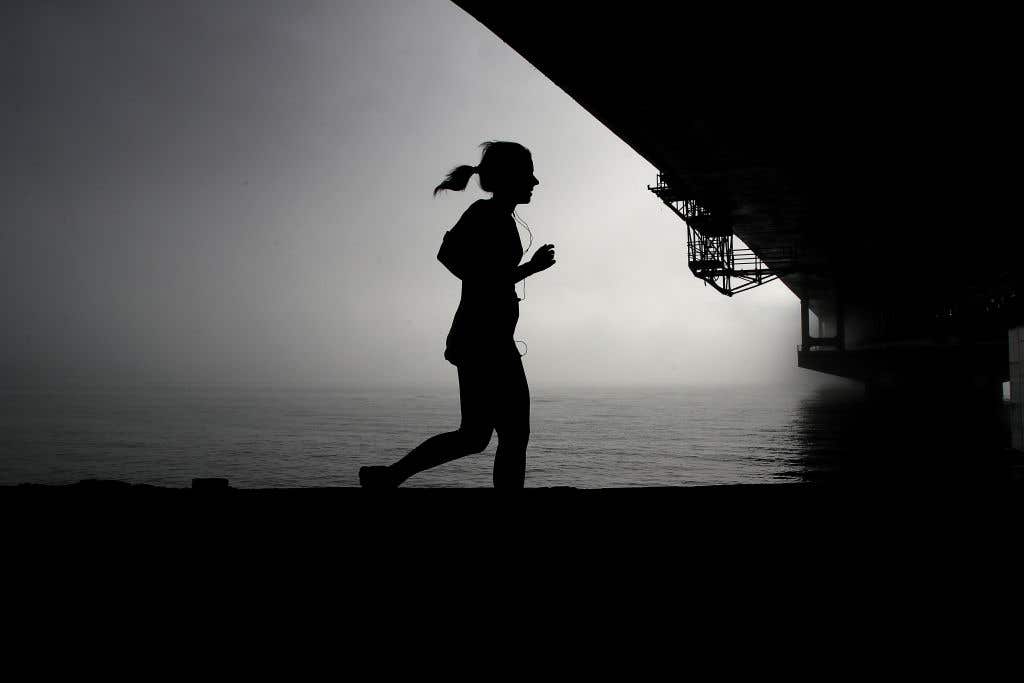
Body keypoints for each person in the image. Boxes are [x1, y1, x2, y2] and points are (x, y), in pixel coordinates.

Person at [359, 141, 556, 488]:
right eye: (528, 174)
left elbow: (480, 273)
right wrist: (527, 269)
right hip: (485, 343)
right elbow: (450, 256)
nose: (535, 182)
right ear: (509, 176)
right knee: (510, 434)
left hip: (485, 340)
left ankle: (388, 477)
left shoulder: (499, 217)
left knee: (477, 436)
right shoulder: (484, 214)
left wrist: (516, 273)